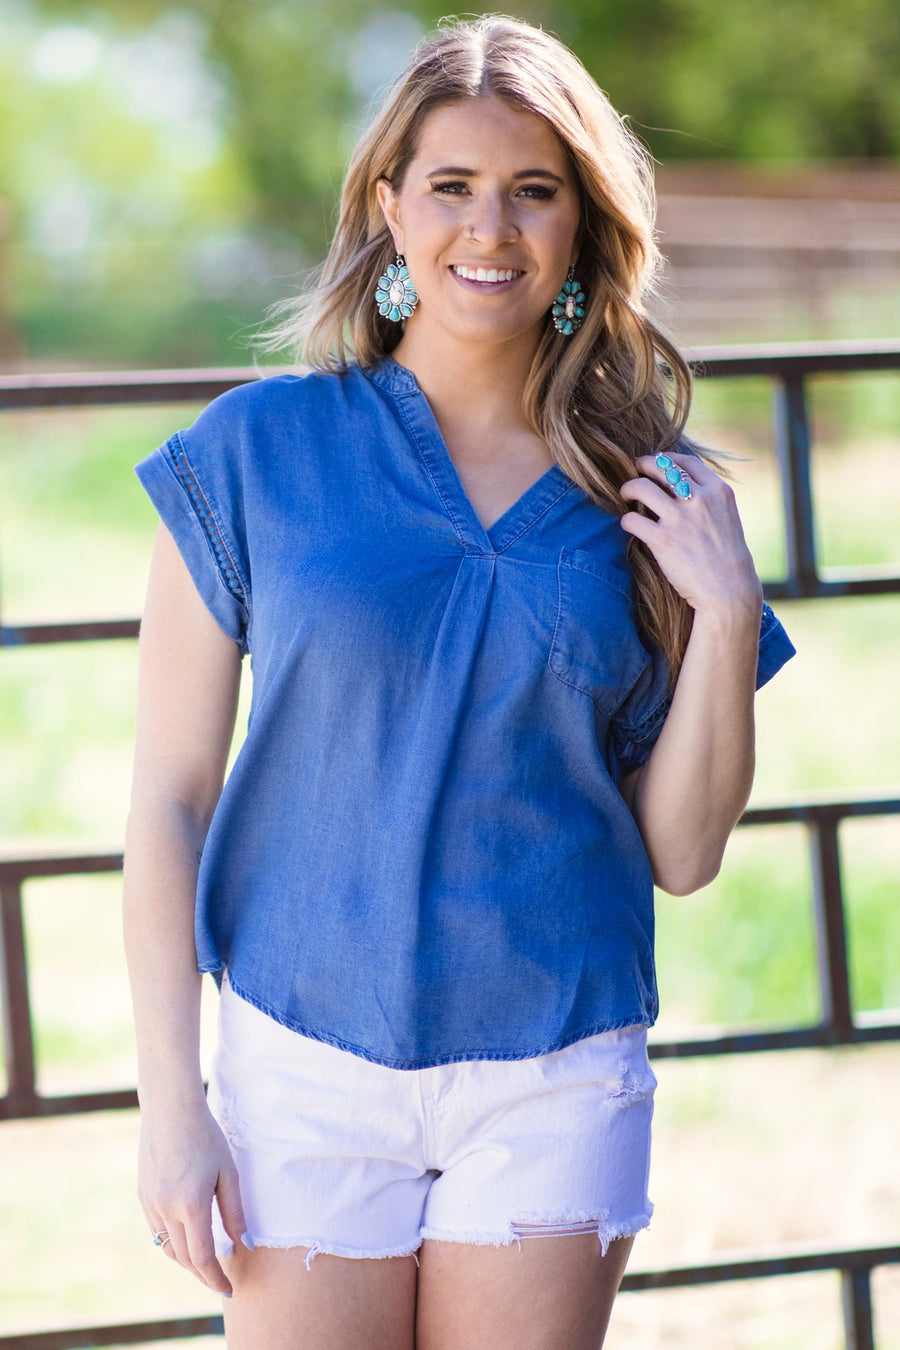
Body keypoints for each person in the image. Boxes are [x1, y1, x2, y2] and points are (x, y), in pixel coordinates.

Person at [123, 14, 794, 1349]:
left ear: (580, 227)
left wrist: (726, 612)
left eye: (534, 190)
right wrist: (169, 1106)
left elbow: (683, 853)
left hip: (554, 1072)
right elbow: (167, 800)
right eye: (452, 185)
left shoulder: (650, 494)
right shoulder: (257, 450)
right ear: (390, 208)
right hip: (302, 1062)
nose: (491, 228)